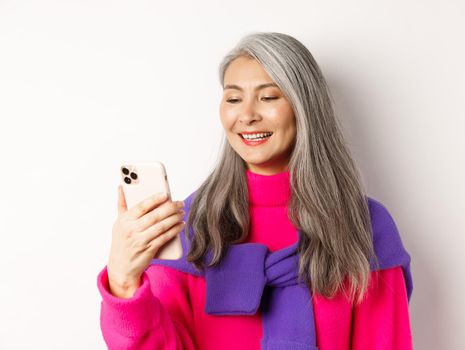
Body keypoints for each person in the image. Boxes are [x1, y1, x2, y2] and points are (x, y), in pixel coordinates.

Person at [97, 31, 414, 350]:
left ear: (304, 107)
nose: (247, 115)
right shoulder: (190, 227)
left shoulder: (366, 227)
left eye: (268, 97)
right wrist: (123, 282)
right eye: (234, 98)